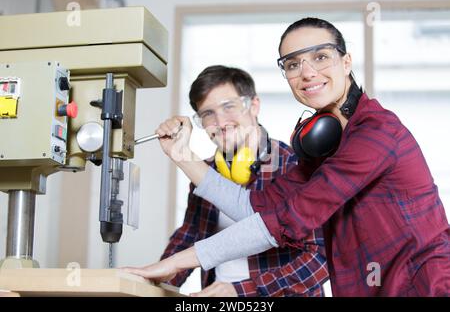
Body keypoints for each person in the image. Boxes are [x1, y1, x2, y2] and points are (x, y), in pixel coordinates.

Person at [124, 18, 450, 296]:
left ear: (346, 62)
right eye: (293, 64)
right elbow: (256, 207)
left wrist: (178, 263)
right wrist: (181, 155)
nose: (307, 72)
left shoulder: (375, 132)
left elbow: (288, 220)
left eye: (320, 57)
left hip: (423, 284)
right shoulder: (323, 148)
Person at [135, 65, 328, 297]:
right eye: (207, 114)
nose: (220, 121)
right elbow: (189, 236)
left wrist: (241, 291)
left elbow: (320, 257)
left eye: (229, 106)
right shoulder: (204, 172)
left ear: (254, 105)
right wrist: (149, 284)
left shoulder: (296, 165)